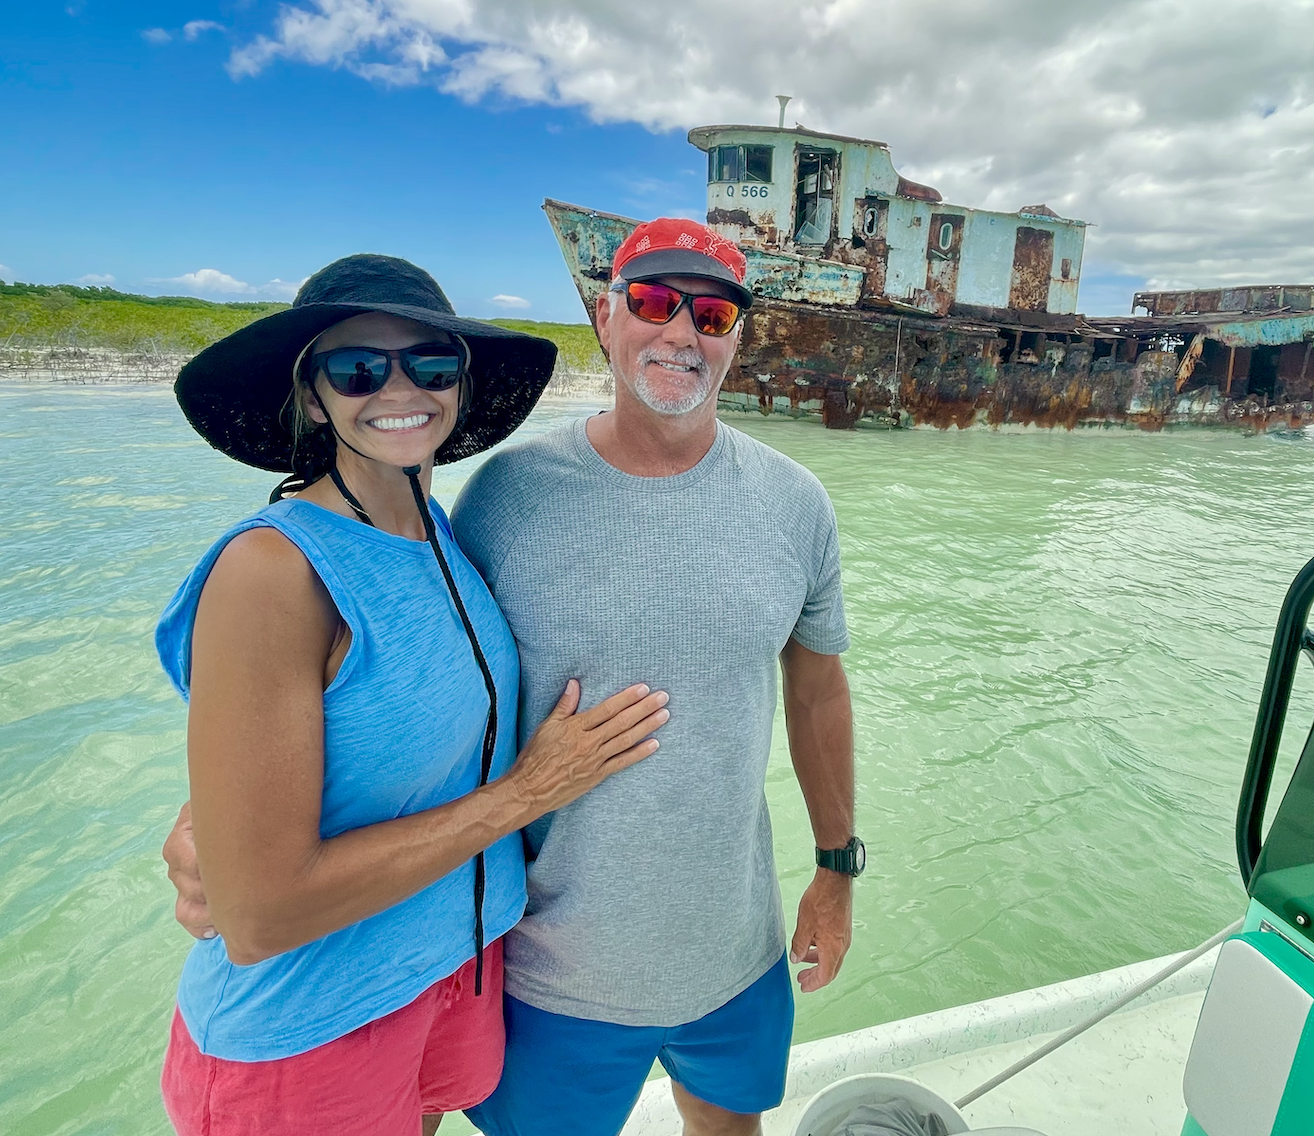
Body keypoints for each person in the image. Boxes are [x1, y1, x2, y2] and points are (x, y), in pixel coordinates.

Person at [169, 220, 860, 1136]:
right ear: (605, 320)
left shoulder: (435, 540)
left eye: (712, 312)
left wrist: (836, 865)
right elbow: (274, 810)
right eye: (358, 371)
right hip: (472, 983)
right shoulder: (487, 504)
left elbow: (424, 703)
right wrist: (207, 830)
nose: (680, 332)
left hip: (509, 969)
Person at [156, 254, 670, 1136]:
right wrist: (527, 796)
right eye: (359, 367)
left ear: (461, 388)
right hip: (312, 1025)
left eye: (431, 366)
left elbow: (374, 738)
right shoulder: (273, 571)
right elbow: (259, 916)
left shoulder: (439, 531)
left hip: (454, 975)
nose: (400, 389)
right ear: (314, 396)